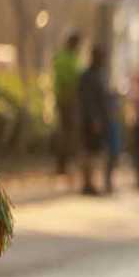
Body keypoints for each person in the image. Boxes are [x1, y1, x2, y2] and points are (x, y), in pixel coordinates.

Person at [77, 46, 112, 196]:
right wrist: (94, 119)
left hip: (99, 120)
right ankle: (87, 183)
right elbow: (87, 101)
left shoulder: (100, 75)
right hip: (91, 121)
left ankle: (93, 182)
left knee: (96, 152)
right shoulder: (88, 76)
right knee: (90, 152)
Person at [52, 33, 84, 177]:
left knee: (65, 132)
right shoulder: (69, 58)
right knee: (68, 133)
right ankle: (64, 164)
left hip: (63, 98)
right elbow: (73, 78)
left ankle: (63, 164)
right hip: (68, 99)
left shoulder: (62, 57)